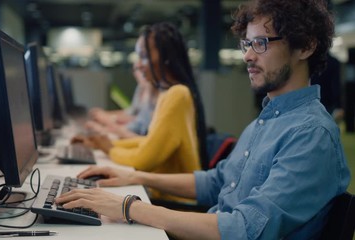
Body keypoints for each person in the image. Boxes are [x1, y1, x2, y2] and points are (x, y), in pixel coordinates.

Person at [57, 1, 351, 239]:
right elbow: (216, 181)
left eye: (260, 43)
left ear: (306, 46)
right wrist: (136, 178)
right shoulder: (267, 120)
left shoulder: (310, 135)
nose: (248, 55)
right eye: (246, 44)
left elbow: (242, 229)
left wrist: (128, 207)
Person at [73, 22, 208, 201]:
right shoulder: (170, 93)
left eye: (144, 56)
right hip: (158, 196)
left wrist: (110, 149)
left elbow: (145, 159)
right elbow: (148, 142)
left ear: (166, 56)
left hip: (172, 202)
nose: (139, 65)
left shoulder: (178, 94)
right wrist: (99, 144)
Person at [85, 60, 158, 139]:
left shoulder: (156, 95)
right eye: (136, 70)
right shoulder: (140, 89)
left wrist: (109, 121)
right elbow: (132, 114)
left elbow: (137, 124)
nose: (139, 74)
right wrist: (106, 116)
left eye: (141, 69)